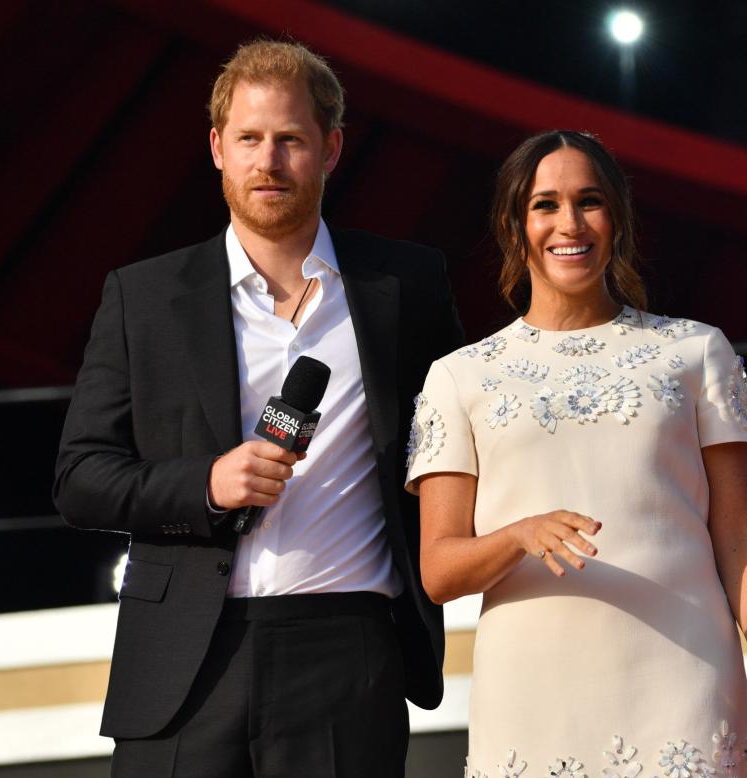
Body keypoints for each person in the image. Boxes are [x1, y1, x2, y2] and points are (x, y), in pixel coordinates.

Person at [54, 40, 464, 777]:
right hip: (183, 662)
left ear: (330, 149)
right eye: (248, 138)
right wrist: (205, 484)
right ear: (217, 147)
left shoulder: (406, 285)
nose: (267, 161)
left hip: (349, 648)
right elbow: (80, 477)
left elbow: (466, 440)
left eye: (290, 140)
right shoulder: (143, 296)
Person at [406, 130, 747, 778]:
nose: (569, 223)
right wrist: (519, 534)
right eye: (544, 205)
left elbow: (737, 535)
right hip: (533, 696)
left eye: (588, 201)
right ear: (513, 225)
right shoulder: (459, 378)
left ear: (615, 218)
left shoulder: (696, 353)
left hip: (686, 678)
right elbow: (439, 571)